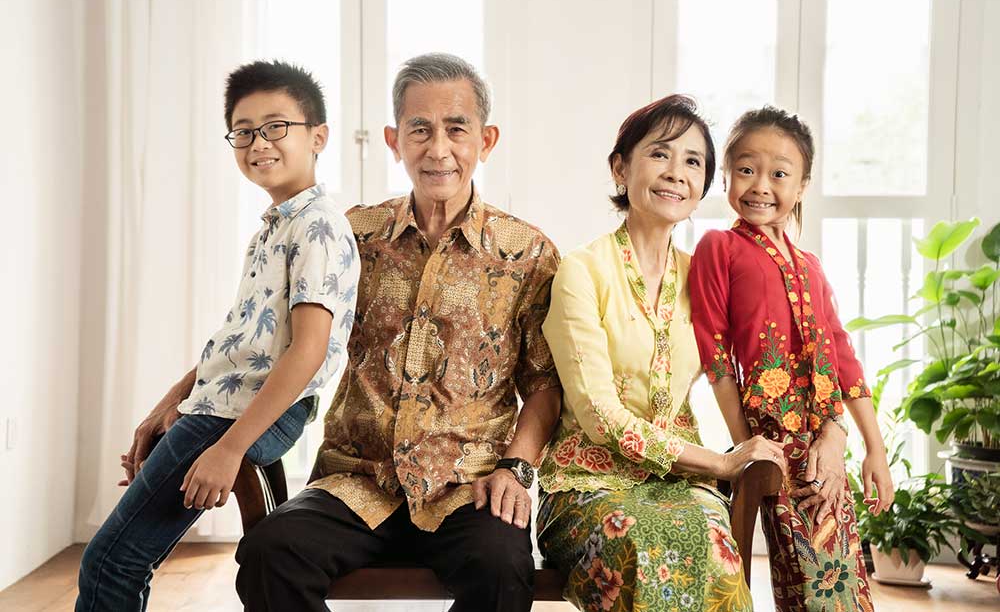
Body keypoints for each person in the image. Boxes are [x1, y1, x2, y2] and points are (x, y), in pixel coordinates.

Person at [235, 53, 563, 612]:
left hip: (469, 485)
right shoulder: (351, 238)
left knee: (503, 570)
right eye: (420, 129)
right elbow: (262, 335)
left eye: (456, 129)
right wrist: (182, 401)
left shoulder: (527, 253)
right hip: (356, 483)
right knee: (270, 553)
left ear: (486, 140)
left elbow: (544, 384)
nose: (439, 149)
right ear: (393, 139)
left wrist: (517, 467)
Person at [76, 61, 359, 611]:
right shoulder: (272, 230)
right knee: (117, 558)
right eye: (244, 131)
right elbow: (239, 342)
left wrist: (229, 448)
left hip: (238, 417)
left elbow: (309, 349)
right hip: (219, 408)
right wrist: (169, 404)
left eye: (276, 126)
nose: (259, 143)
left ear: (317, 136)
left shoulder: (317, 227)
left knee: (112, 562)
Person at [536, 94, 787, 612]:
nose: (676, 172)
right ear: (620, 168)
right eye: (660, 154)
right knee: (644, 548)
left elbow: (771, 360)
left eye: (693, 162)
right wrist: (722, 462)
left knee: (716, 552)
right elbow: (600, 416)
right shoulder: (581, 271)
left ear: (702, 188)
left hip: (680, 484)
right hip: (587, 481)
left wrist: (832, 430)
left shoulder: (705, 274)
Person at [688, 105, 895, 611]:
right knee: (804, 579)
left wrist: (872, 448)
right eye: (746, 169)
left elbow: (842, 357)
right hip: (775, 446)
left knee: (845, 579)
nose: (760, 184)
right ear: (727, 177)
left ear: (801, 186)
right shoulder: (720, 247)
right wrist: (749, 447)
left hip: (827, 443)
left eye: (779, 173)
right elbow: (714, 355)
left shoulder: (811, 266)